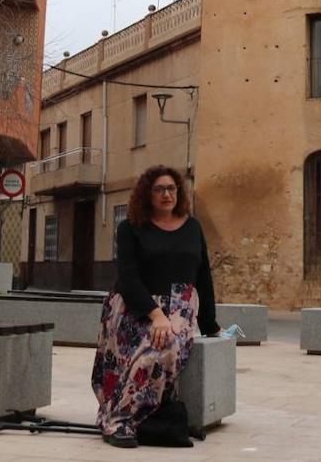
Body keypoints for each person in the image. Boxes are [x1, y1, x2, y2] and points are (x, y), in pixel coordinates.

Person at [91, 165, 220, 448]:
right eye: (159, 189)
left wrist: (210, 325)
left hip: (180, 307)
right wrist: (155, 314)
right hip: (135, 305)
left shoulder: (193, 227)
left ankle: (123, 416)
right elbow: (128, 276)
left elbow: (203, 277)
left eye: (171, 188)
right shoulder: (130, 228)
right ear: (147, 194)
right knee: (139, 354)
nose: (166, 194)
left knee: (162, 350)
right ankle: (117, 422)